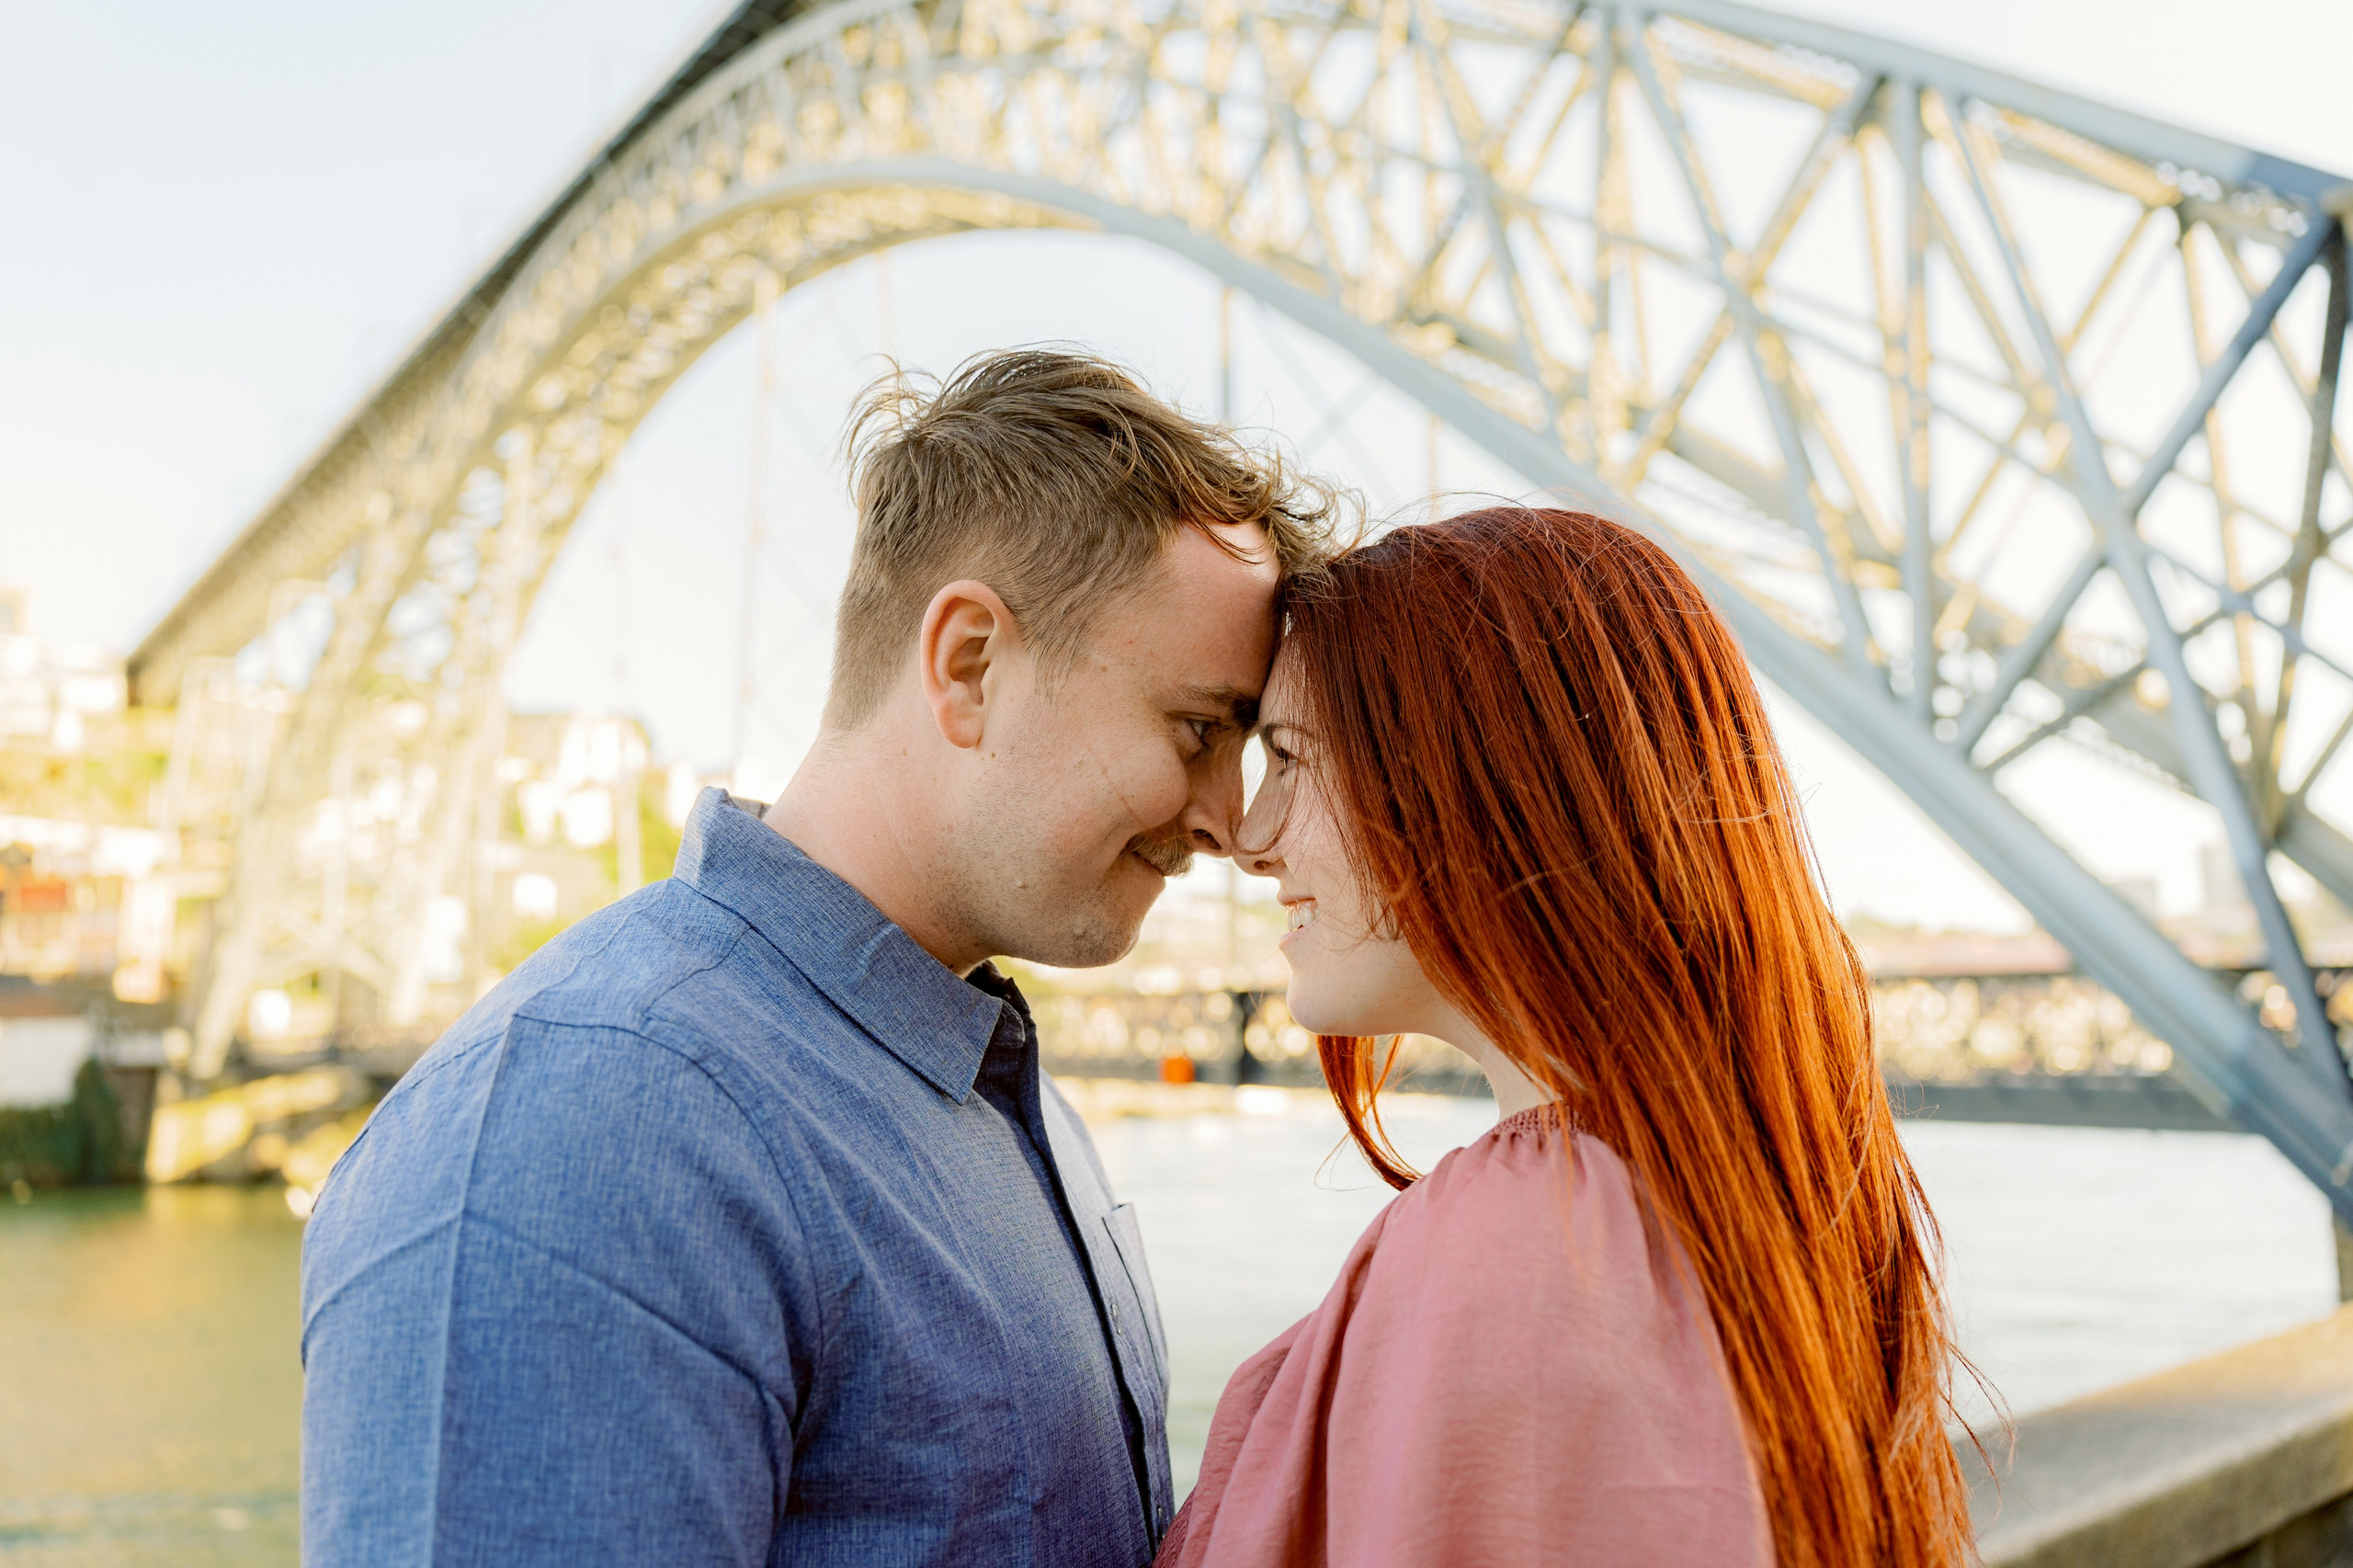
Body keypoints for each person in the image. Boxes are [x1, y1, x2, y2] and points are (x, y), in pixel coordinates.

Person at [299, 348, 1346, 1566]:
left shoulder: (987, 1088)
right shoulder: (590, 1128)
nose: (1230, 821)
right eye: (1199, 729)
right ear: (968, 663)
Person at [1160, 506, 1979, 1568]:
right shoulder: (1735, 1189)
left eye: (1289, 758)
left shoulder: (1530, 1253)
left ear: (1478, 777)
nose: (1249, 836)